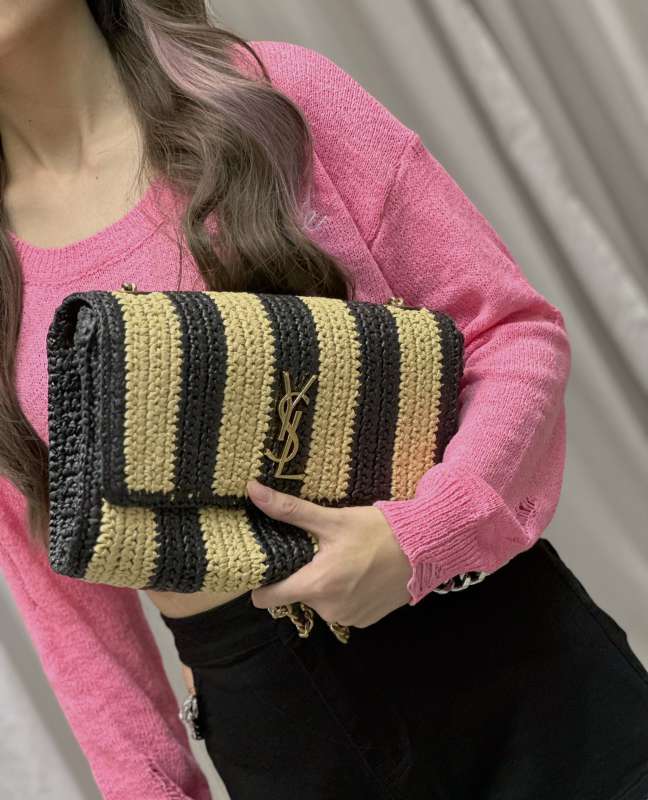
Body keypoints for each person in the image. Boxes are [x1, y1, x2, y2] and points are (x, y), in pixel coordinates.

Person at [2, 2, 648, 799]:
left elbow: (511, 333)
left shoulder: (271, 98)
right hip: (282, 731)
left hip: (506, 656)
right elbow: (71, 615)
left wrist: (423, 533)